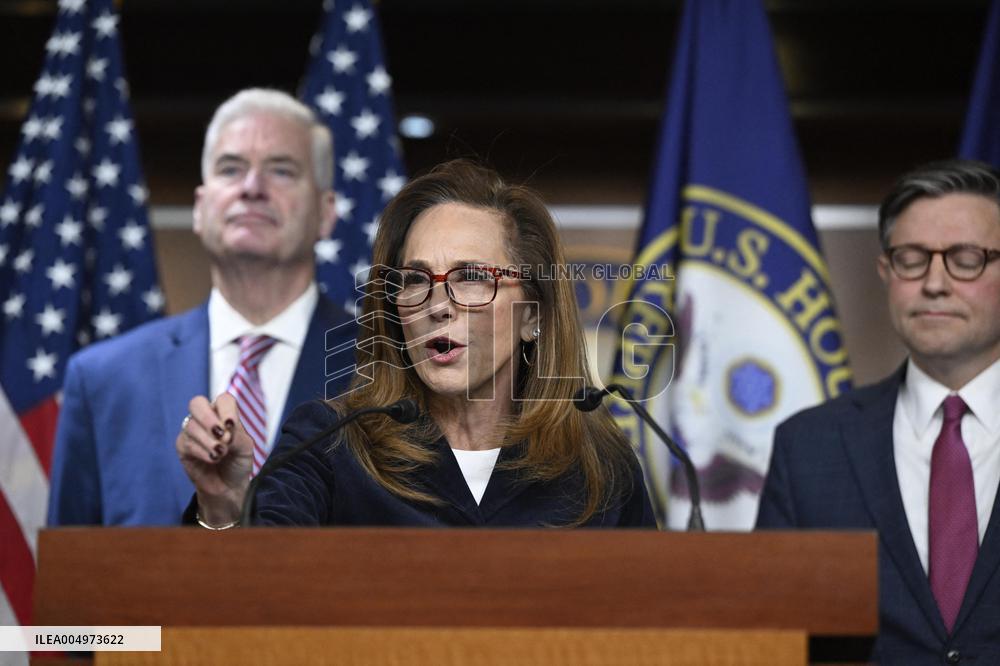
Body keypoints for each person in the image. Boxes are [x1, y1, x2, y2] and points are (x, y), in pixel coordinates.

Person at [177, 159, 656, 528]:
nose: (437, 305)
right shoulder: (331, 443)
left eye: (471, 277)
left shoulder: (598, 465)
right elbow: (251, 595)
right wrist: (223, 506)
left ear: (532, 316)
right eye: (414, 280)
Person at [48, 88, 357, 526]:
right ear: (199, 208)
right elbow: (70, 562)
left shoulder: (386, 369)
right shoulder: (102, 380)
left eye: (282, 170)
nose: (252, 188)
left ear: (326, 213)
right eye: (231, 169)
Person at [757, 159, 1000, 663]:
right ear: (886, 272)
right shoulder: (809, 447)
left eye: (966, 259)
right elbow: (773, 635)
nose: (935, 282)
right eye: (912, 259)